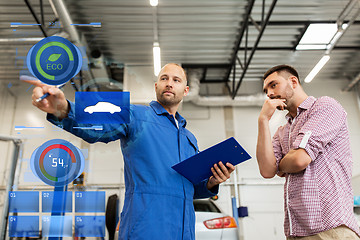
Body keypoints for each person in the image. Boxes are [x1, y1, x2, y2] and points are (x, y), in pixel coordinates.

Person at [29, 63, 235, 240]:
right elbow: (99, 121)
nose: (169, 83)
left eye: (176, 80)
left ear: (186, 90)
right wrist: (63, 108)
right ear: (156, 86)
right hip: (145, 229)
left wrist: (211, 181)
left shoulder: (189, 137)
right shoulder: (136, 114)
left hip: (184, 231)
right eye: (164, 78)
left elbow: (189, 187)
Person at [256, 64, 360, 239]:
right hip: (297, 231)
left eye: (274, 85)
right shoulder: (282, 131)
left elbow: (298, 160)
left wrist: (281, 164)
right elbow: (267, 170)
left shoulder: (324, 107)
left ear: (293, 81)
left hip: (330, 229)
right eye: (266, 90)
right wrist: (263, 119)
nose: (270, 94)